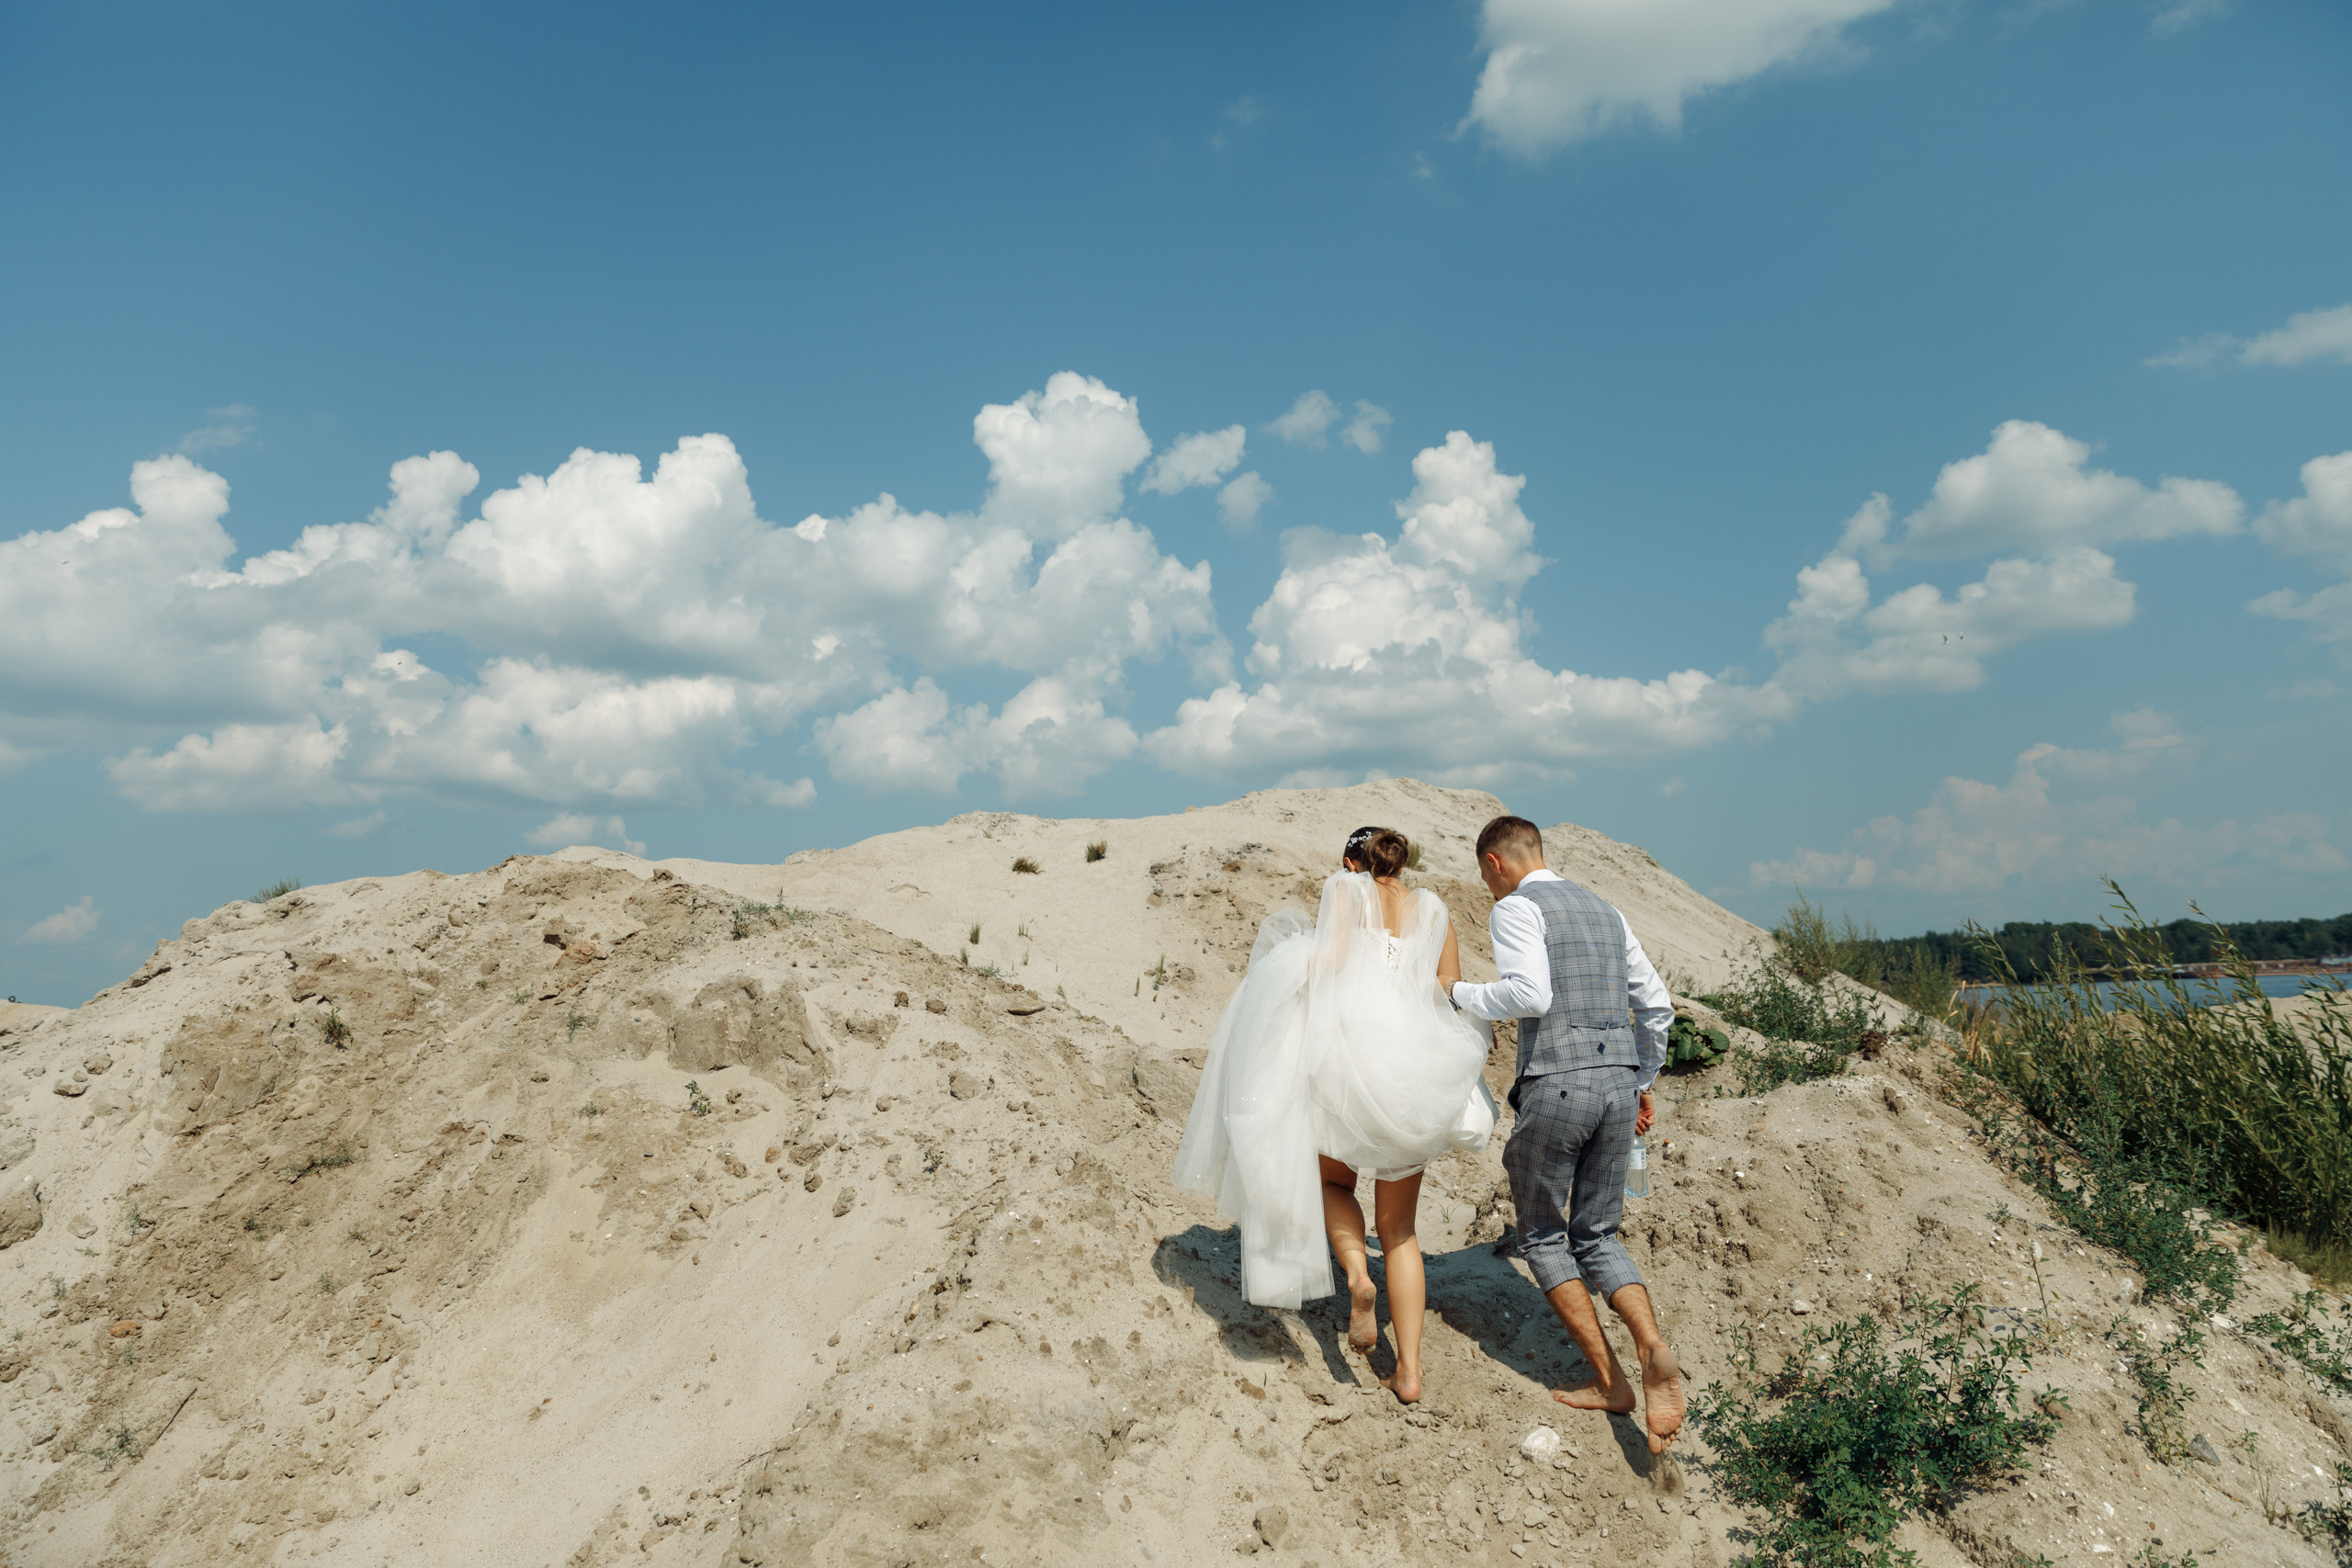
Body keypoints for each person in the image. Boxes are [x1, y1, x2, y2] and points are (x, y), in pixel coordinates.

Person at [1172, 826, 1495, 1404]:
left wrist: (1283, 973)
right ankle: (1411, 1374)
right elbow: (1447, 986)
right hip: (1411, 1076)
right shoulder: (1434, 908)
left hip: (1347, 1068)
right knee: (1400, 1231)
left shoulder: (1345, 890)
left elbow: (1333, 963)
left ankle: (1354, 1274)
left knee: (1329, 1181)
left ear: (1353, 860)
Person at [1446, 814, 1685, 1453]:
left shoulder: (1518, 907)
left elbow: (1530, 992)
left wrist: (1458, 993)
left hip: (1558, 1085)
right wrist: (1641, 1078)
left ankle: (1612, 1380)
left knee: (1543, 1235)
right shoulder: (1607, 910)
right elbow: (1657, 1005)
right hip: (1616, 1088)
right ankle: (1652, 1344)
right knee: (1600, 1234)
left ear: (1494, 864)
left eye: (1484, 878)